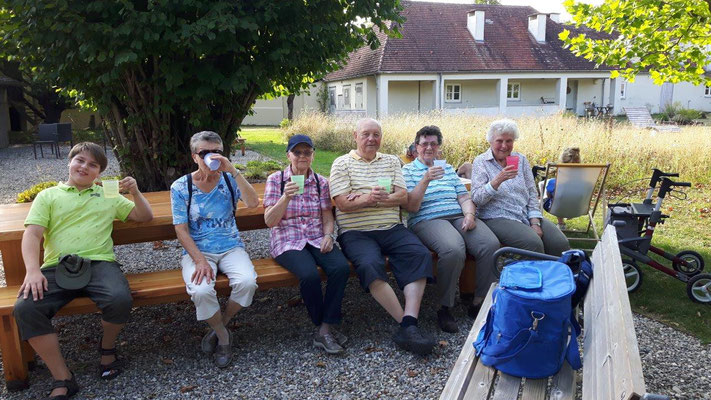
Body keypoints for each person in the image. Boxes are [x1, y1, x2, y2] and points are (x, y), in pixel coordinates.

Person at [14, 142, 153, 399]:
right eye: (80, 160)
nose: (84, 167)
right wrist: (32, 271)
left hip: (100, 262)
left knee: (119, 298)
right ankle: (62, 376)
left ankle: (107, 349)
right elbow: (32, 235)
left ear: (99, 172)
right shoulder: (48, 196)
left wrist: (135, 192)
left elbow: (144, 217)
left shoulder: (108, 194)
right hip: (57, 265)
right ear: (69, 162)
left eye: (93, 165)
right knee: (25, 308)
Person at [329, 118, 436, 355]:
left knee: (419, 254)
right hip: (356, 232)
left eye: (376, 134)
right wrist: (371, 198)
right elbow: (343, 203)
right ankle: (405, 326)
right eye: (366, 134)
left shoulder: (390, 161)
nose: (371, 139)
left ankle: (410, 323)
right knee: (369, 263)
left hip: (391, 227)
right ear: (355, 137)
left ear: (381, 138)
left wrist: (365, 197)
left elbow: (403, 196)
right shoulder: (341, 163)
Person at [170, 131, 259, 368]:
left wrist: (234, 171)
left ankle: (221, 325)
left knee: (247, 282)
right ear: (194, 157)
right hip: (199, 252)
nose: (212, 157)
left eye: (217, 152)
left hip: (231, 247)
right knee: (201, 291)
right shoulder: (182, 186)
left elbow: (252, 203)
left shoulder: (230, 179)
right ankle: (223, 336)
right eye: (205, 153)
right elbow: (181, 230)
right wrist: (199, 261)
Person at [402, 126, 500, 333]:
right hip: (427, 218)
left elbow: (463, 196)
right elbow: (411, 207)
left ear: (439, 147)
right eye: (424, 144)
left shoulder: (447, 169)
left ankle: (479, 301)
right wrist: (426, 179)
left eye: (433, 144)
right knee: (453, 249)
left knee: (489, 244)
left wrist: (469, 215)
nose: (429, 147)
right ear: (416, 147)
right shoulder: (407, 171)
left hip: (457, 215)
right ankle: (444, 307)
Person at [263, 134, 351, 354]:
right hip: (287, 240)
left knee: (340, 268)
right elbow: (270, 221)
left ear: (313, 155)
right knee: (309, 275)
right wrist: (285, 198)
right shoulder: (276, 180)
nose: (302, 156)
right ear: (289, 155)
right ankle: (324, 328)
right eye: (297, 152)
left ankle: (325, 329)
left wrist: (328, 236)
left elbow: (327, 216)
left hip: (315, 236)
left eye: (307, 152)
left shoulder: (321, 182)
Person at [471, 119, 570, 256]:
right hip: (496, 216)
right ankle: (535, 276)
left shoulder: (521, 159)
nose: (504, 146)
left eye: (509, 141)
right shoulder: (481, 162)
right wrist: (497, 180)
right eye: (499, 141)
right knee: (533, 244)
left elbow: (531, 192)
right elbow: (477, 198)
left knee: (560, 243)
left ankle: (557, 276)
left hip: (524, 214)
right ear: (490, 141)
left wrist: (534, 221)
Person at [542, 147, 582, 229]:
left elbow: (549, 195)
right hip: (578, 209)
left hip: (558, 208)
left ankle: (561, 223)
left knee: (551, 199)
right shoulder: (585, 182)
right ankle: (570, 214)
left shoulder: (554, 182)